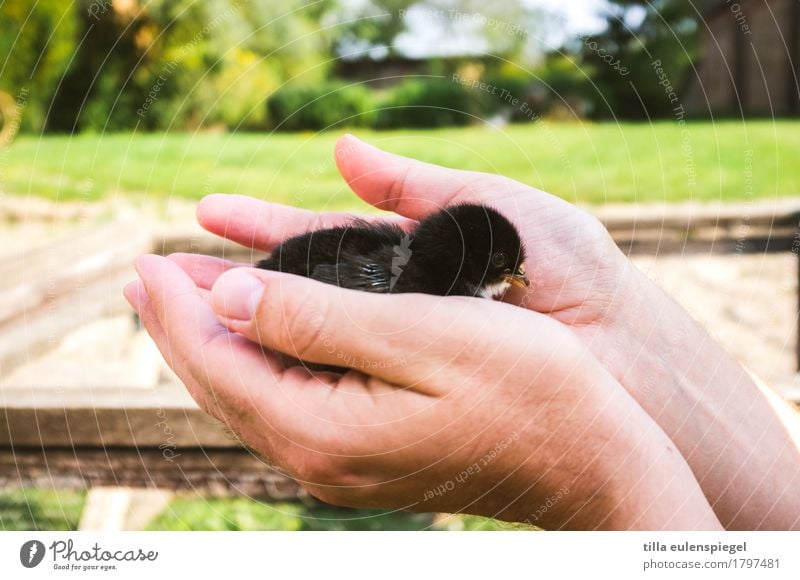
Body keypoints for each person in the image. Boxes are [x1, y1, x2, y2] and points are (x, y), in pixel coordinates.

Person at [125, 134, 800, 530]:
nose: (521, 281)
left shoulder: (428, 278)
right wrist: (619, 323)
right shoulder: (419, 287)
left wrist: (608, 479)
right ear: (480, 268)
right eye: (508, 269)